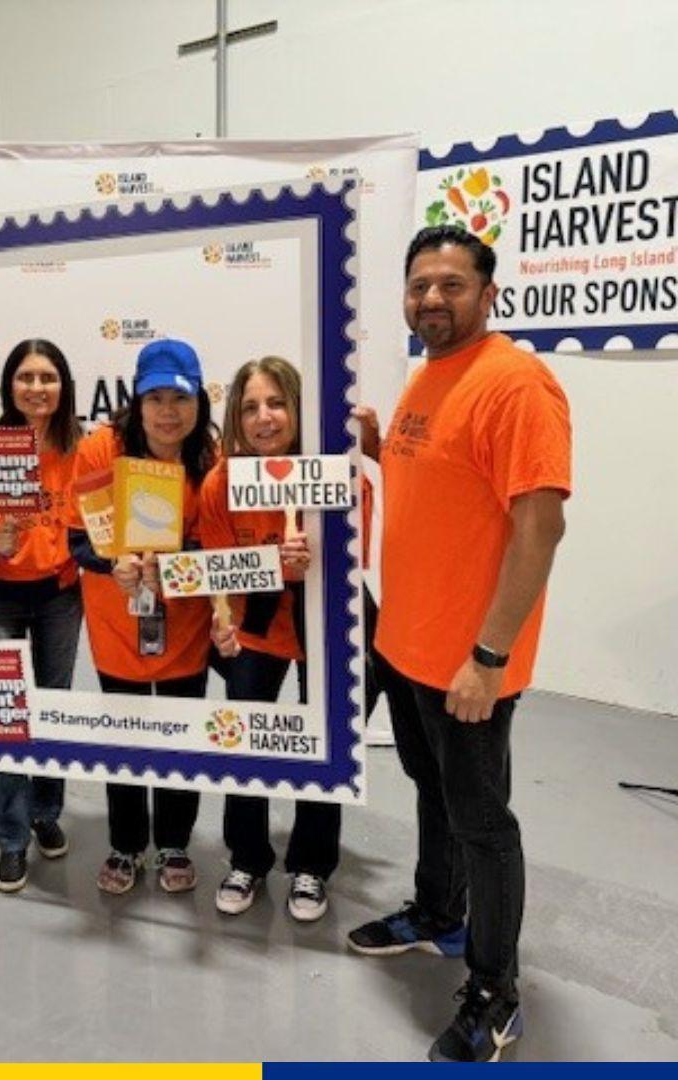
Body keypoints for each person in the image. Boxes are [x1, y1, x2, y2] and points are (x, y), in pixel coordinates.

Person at [348, 225, 571, 1062]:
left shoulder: (515, 384)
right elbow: (433, 484)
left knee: (483, 822)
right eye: (419, 286)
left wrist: (488, 658)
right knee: (432, 792)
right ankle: (438, 915)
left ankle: (495, 991)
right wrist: (377, 448)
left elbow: (540, 529)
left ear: (488, 294)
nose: (431, 300)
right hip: (406, 643)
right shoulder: (428, 377)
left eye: (450, 284)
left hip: (466, 662)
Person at [69, 338, 217, 895]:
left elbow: (215, 550)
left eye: (179, 399)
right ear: (136, 400)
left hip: (185, 629)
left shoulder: (209, 457)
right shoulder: (100, 450)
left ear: (199, 401)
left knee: (180, 736)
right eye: (154, 398)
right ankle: (126, 843)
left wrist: (175, 567)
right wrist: (114, 564)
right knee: (125, 737)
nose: (167, 412)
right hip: (118, 627)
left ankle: (175, 840)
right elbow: (77, 540)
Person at [201, 357, 340, 922]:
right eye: (252, 406)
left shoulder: (330, 472)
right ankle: (248, 858)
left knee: (320, 743)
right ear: (236, 415)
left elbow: (357, 555)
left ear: (298, 409)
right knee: (247, 739)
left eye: (277, 403)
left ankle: (311, 865)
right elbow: (215, 565)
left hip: (321, 627)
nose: (265, 417)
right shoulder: (221, 481)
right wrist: (220, 620)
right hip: (256, 634)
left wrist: (314, 559)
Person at [0, 339, 84, 893]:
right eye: (26, 377)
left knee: (55, 704)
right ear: (9, 385)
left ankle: (46, 810)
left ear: (63, 386)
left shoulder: (82, 446)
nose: (37, 388)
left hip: (60, 595)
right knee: (6, 716)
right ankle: (11, 838)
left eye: (48, 377)